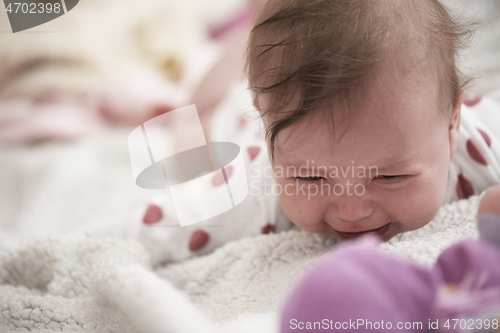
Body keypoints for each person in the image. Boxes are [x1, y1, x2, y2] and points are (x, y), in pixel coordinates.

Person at [90, 0, 500, 266]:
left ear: (451, 124)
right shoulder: (254, 187)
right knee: (198, 123)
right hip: (236, 115)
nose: (352, 212)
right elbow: (147, 228)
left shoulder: (484, 140)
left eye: (389, 176)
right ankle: (211, 71)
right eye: (310, 178)